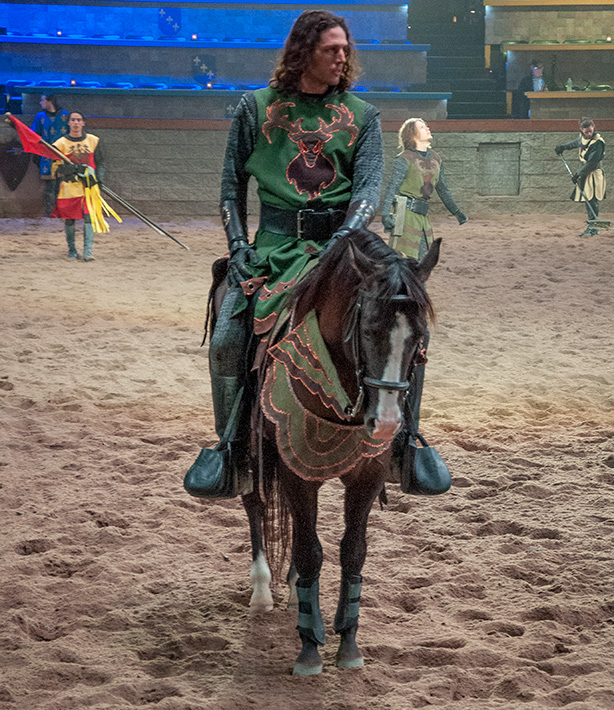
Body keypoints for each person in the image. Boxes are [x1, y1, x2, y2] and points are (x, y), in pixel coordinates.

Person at [196, 10, 383, 489]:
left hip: (343, 249)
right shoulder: (256, 108)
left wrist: (344, 240)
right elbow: (229, 185)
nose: (343, 57)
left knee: (402, 321)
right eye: (331, 50)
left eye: (346, 49)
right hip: (273, 248)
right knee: (226, 342)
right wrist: (237, 244)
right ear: (303, 52)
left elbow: (368, 189)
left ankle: (405, 447)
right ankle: (231, 452)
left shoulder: (363, 116)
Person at [381, 117, 466, 461]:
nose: (429, 130)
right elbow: (391, 189)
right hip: (405, 219)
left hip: (423, 218)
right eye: (424, 127)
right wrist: (388, 215)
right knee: (406, 270)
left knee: (421, 270)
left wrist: (457, 210)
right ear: (411, 135)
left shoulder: (436, 159)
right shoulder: (403, 161)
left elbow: (441, 188)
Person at [51, 111, 105, 261]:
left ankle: (87, 251)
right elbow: (56, 168)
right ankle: (72, 249)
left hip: (89, 186)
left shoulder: (93, 140)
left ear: (83, 123)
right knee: (70, 219)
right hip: (70, 187)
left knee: (89, 218)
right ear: (68, 123)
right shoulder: (60, 143)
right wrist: (74, 169)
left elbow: (100, 162)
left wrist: (99, 180)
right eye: (73, 120)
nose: (75, 123)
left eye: (78, 120)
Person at [555, 117, 606, 237]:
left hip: (593, 174)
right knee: (588, 199)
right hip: (585, 174)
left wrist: (578, 174)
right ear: (582, 130)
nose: (589, 133)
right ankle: (592, 226)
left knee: (592, 200)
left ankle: (593, 228)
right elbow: (575, 143)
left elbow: (591, 163)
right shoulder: (583, 138)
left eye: (590, 130)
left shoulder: (598, 143)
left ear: (594, 127)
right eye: (586, 131)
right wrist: (562, 147)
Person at [31, 94, 69, 216]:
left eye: (42, 100)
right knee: (49, 188)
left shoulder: (65, 115)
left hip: (62, 155)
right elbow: (34, 134)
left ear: (50, 101)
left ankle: (62, 212)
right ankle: (50, 214)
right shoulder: (40, 117)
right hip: (47, 155)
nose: (40, 103)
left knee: (61, 187)